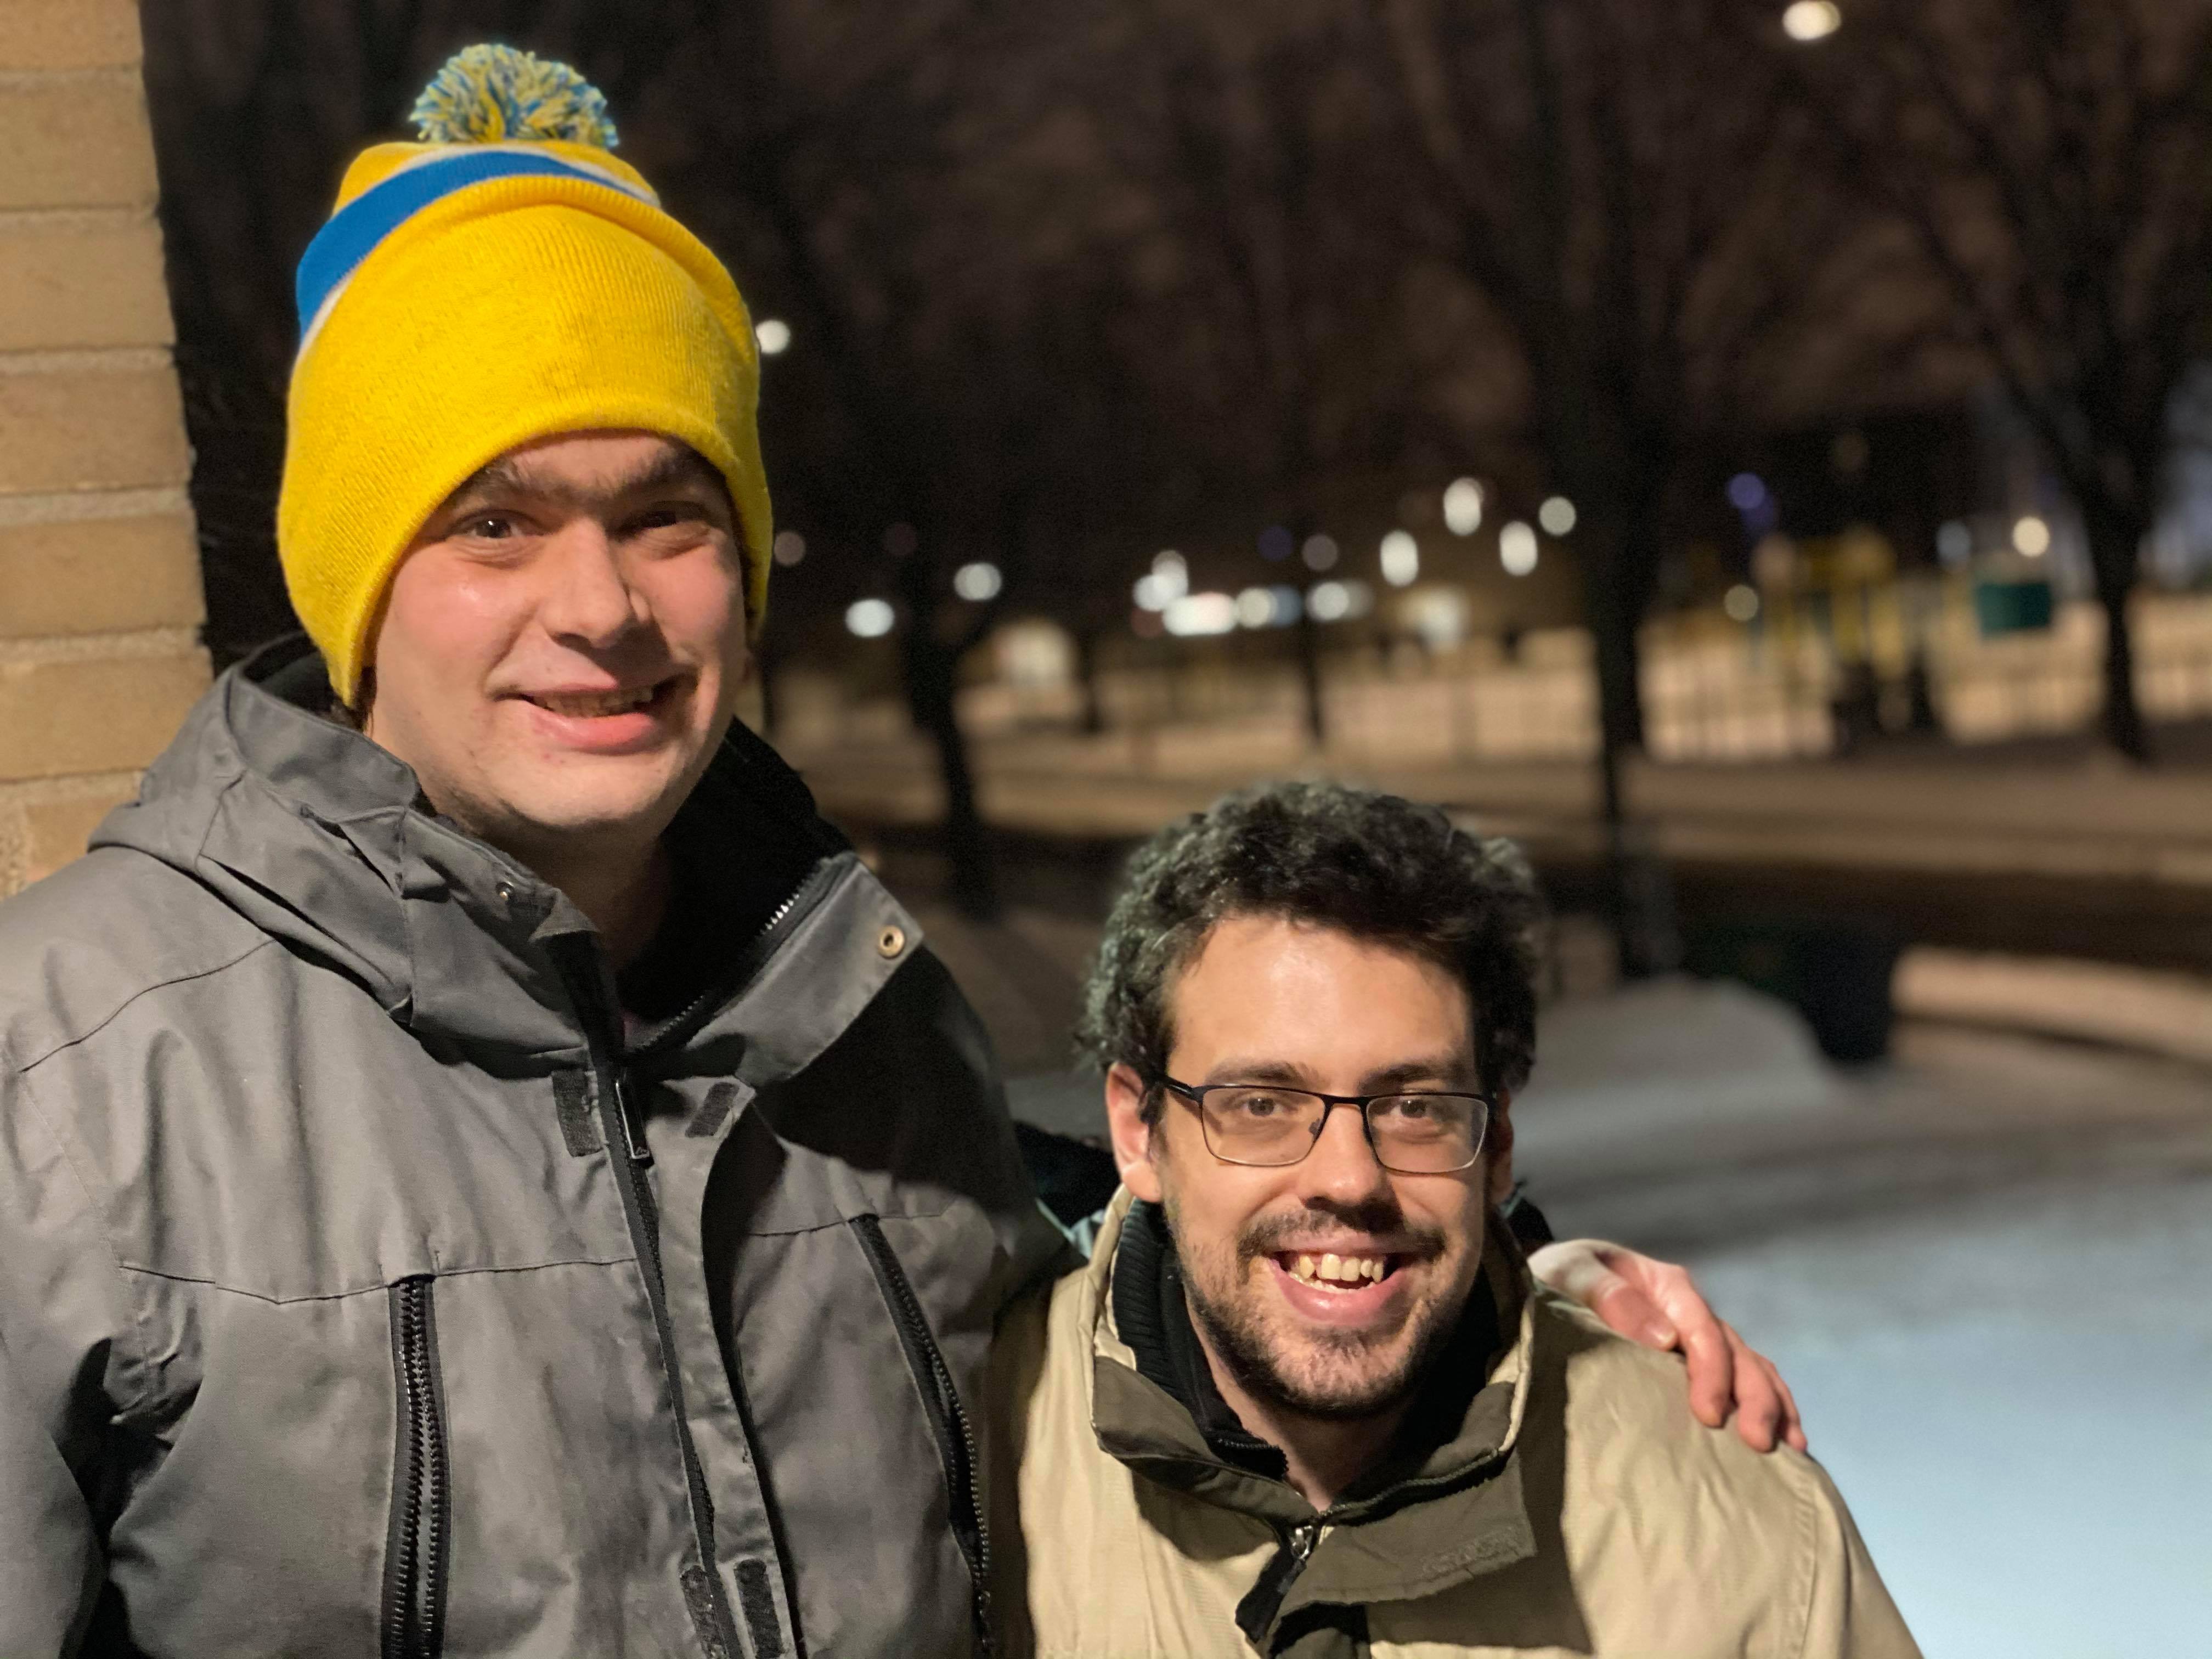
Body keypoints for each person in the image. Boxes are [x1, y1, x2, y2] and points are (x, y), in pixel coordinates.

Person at [0, 47, 1791, 1659]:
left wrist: (1503, 1292)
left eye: (667, 514)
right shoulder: (69, 1078)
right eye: (495, 522)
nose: (602, 605)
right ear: (358, 587)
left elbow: (1147, 1323)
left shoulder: (857, 1021)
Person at [988, 782, 1920, 1658]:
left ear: (1497, 1143)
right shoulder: (966, 1474)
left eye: (1415, 1106)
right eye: (1262, 1105)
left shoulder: (1738, 1531)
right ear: (1136, 1132)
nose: (1350, 1180)